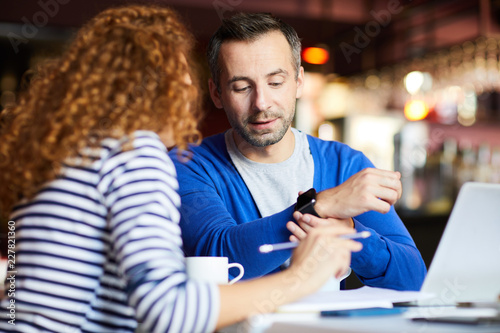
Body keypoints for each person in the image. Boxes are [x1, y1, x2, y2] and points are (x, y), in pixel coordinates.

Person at [0, 5, 363, 332]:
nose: (189, 84)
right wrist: (301, 278)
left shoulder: (64, 154)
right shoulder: (133, 154)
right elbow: (168, 312)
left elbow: (16, 302)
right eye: (178, 70)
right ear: (147, 86)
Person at [169, 12, 427, 291]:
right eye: (242, 87)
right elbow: (218, 256)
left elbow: (413, 278)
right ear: (217, 93)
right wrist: (319, 207)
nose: (261, 102)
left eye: (276, 82)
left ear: (299, 82)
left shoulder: (345, 164)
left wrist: (352, 234)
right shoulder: (188, 164)